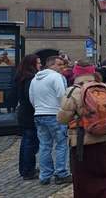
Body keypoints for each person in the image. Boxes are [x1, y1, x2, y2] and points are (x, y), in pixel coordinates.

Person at [57, 61, 106, 197]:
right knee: (105, 172)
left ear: (76, 73)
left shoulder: (73, 91)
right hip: (104, 138)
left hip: (82, 142)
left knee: (85, 178)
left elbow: (63, 118)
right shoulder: (104, 88)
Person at [29, 56, 71, 185]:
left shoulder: (35, 78)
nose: (61, 67)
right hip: (54, 114)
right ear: (51, 65)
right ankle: (61, 173)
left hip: (39, 114)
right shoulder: (56, 77)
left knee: (44, 146)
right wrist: (64, 110)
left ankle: (45, 175)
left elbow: (31, 98)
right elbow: (61, 95)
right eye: (59, 65)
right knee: (61, 145)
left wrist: (39, 108)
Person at [16, 54, 41, 180]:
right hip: (29, 114)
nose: (40, 65)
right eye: (38, 63)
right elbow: (30, 97)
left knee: (26, 142)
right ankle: (28, 170)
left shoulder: (21, 76)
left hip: (24, 113)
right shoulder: (30, 78)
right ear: (32, 64)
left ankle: (25, 168)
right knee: (30, 143)